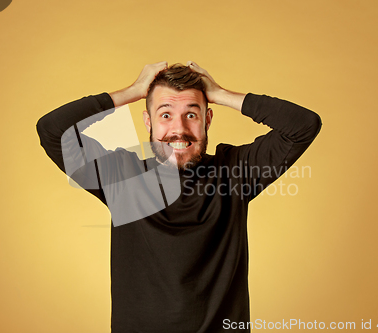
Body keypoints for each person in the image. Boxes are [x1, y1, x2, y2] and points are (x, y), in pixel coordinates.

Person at [36, 61, 322, 332]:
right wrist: (131, 92)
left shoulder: (235, 172)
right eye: (165, 114)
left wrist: (221, 94)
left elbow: (303, 126)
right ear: (148, 121)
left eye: (191, 114)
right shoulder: (122, 177)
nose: (179, 129)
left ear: (207, 119)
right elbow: (52, 130)